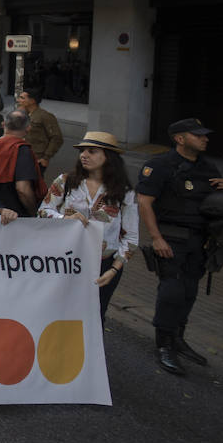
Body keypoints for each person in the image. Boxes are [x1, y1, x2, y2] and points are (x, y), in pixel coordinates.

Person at [136, 118, 223, 375]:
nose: (205, 139)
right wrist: (156, 238)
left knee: (189, 291)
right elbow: (144, 203)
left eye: (204, 135)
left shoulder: (209, 168)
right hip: (171, 237)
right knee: (171, 291)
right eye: (198, 135)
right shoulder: (159, 166)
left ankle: (178, 338)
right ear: (180, 139)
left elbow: (219, 206)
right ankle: (164, 345)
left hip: (200, 240)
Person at [39, 132, 137, 324]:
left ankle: (92, 354)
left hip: (104, 265)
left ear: (108, 157)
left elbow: (131, 237)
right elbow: (43, 211)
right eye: (82, 151)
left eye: (92, 151)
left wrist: (114, 270)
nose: (84, 155)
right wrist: (65, 218)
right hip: (66, 260)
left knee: (95, 316)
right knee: (62, 313)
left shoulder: (124, 192)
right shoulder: (66, 181)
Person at [0, 110, 45, 217]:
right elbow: (23, 189)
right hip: (13, 214)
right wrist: (33, 212)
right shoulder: (21, 149)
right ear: (28, 128)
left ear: (3, 124)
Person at [16, 88, 63, 171]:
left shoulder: (44, 116)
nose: (18, 100)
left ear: (32, 101)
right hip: (22, 157)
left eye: (22, 98)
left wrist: (46, 157)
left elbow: (56, 138)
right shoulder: (24, 115)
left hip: (36, 159)